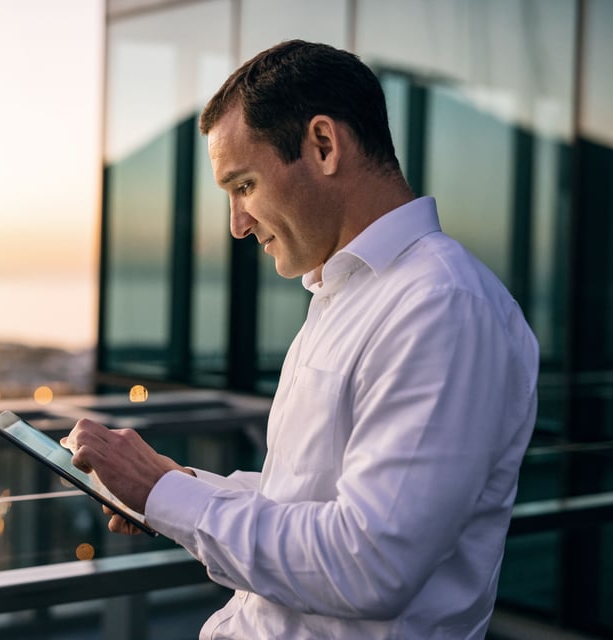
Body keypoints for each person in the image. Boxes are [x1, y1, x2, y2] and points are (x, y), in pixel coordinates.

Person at [66, 39, 539, 638]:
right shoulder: (347, 297)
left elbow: (371, 562)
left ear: (323, 145)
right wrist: (179, 488)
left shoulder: (441, 307)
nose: (237, 224)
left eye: (243, 186)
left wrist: (164, 495)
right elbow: (308, 499)